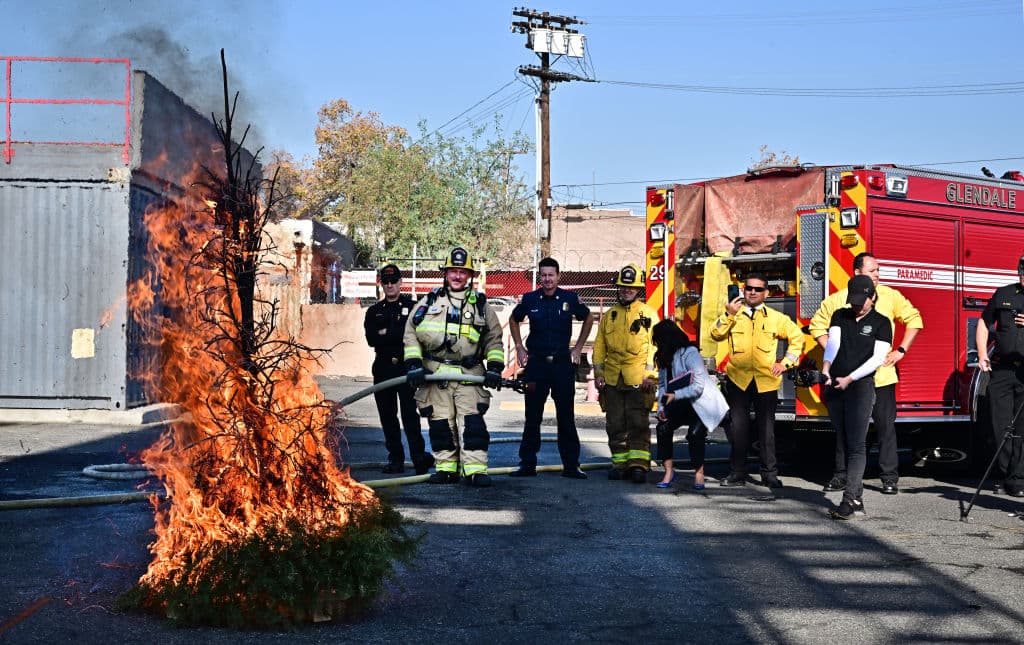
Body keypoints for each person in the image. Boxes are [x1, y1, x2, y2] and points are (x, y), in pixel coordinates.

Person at [809, 252, 923, 495]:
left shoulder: (890, 296)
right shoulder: (838, 301)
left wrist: (901, 350)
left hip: (881, 377)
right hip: (848, 381)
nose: (877, 275)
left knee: (885, 428)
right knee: (844, 430)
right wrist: (836, 354)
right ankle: (841, 476)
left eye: (878, 270)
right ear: (857, 273)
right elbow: (817, 326)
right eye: (872, 271)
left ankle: (889, 477)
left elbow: (914, 318)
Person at [403, 247, 505, 487]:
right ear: (445, 273)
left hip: (470, 375)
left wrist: (495, 367)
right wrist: (414, 363)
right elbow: (411, 333)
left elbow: (494, 339)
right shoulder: (429, 301)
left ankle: (476, 470)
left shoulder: (481, 305)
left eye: (463, 272)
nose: (457, 276)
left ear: (470, 275)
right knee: (440, 424)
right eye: (453, 271)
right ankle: (446, 468)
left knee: (473, 425)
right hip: (436, 375)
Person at [709, 272, 803, 488]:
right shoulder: (734, 313)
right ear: (743, 290)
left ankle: (769, 474)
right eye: (749, 288)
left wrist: (786, 363)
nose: (752, 292)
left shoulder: (775, 318)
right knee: (738, 429)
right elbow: (715, 335)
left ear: (766, 293)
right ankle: (737, 473)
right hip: (738, 380)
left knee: (766, 430)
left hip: (765, 381)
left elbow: (797, 339)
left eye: (758, 289)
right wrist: (728, 314)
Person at [508, 257, 595, 479]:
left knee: (566, 417)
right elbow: (513, 319)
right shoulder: (529, 299)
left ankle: (571, 465)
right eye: (543, 275)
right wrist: (519, 346)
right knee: (532, 417)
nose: (547, 279)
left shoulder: (569, 298)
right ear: (540, 276)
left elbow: (589, 317)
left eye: (551, 275)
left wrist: (577, 348)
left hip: (562, 366)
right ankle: (527, 464)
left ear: (558, 276)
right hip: (536, 366)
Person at [821, 275, 893, 519]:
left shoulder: (882, 323)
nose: (857, 305)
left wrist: (850, 378)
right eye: (853, 301)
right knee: (842, 438)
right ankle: (858, 498)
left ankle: (849, 500)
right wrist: (826, 368)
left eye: (862, 301)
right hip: (835, 383)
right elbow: (834, 343)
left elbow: (876, 359)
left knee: (857, 444)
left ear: (872, 297)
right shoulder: (840, 315)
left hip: (860, 385)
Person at [593, 264, 660, 484]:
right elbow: (600, 346)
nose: (625, 291)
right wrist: (598, 373)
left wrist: (650, 377)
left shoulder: (649, 314)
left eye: (630, 288)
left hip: (638, 380)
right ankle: (619, 463)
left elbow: (655, 347)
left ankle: (638, 465)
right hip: (613, 379)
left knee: (638, 423)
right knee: (615, 423)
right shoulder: (610, 315)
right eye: (622, 287)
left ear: (638, 290)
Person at [363, 264, 433, 475]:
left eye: (394, 281)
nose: (390, 285)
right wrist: (397, 333)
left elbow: (419, 335)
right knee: (388, 417)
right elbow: (372, 339)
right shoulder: (374, 311)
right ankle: (395, 459)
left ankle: (419, 457)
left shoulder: (413, 307)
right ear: (381, 284)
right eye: (386, 282)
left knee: (410, 416)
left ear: (401, 283)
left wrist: (388, 333)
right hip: (383, 369)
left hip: (406, 368)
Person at [651, 320, 729, 489]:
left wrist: (675, 395)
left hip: (700, 403)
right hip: (678, 402)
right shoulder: (664, 356)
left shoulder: (690, 353)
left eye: (659, 340)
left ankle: (699, 473)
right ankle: (669, 472)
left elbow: (698, 386)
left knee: (694, 434)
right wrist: (661, 408)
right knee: (662, 428)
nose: (658, 345)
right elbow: (663, 385)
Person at [976, 253, 1024, 498]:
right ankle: (1006, 472)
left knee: (1023, 429)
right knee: (999, 426)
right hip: (1003, 370)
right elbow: (984, 322)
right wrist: (983, 353)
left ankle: (1017, 478)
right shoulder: (1004, 293)